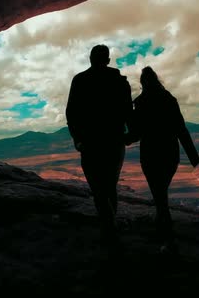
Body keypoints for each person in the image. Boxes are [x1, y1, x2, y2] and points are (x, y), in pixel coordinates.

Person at [126, 66, 199, 253]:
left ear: (142, 83)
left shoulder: (141, 103)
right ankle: (164, 233)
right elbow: (181, 129)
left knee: (159, 194)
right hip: (170, 154)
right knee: (161, 193)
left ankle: (167, 237)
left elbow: (135, 134)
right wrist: (194, 158)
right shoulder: (170, 100)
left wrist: (120, 138)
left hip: (150, 154)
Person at [65, 45, 133, 247]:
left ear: (90, 59)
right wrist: (131, 134)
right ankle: (110, 227)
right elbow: (128, 111)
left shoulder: (80, 80)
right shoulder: (120, 82)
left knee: (98, 187)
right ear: (108, 60)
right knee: (110, 185)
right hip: (114, 141)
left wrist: (77, 139)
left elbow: (71, 113)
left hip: (90, 142)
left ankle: (108, 228)